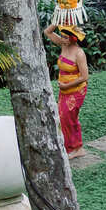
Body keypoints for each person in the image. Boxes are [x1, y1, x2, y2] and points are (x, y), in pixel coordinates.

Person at [42, 23, 88, 158]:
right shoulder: (63, 44)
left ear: (73, 38)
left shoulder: (79, 53)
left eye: (66, 37)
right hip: (65, 90)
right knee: (64, 118)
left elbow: (85, 77)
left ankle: (75, 148)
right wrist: (58, 21)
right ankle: (73, 146)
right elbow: (47, 32)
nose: (62, 39)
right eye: (62, 36)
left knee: (68, 117)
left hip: (76, 90)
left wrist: (66, 86)